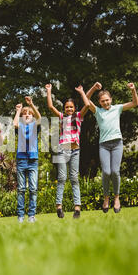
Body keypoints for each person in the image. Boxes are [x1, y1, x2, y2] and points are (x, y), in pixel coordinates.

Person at [45, 82, 101, 219]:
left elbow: (87, 105)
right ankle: (59, 206)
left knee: (74, 178)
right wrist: (49, 91)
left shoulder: (78, 116)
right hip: (62, 150)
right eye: (67, 107)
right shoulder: (61, 117)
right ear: (64, 109)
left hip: (75, 150)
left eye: (71, 107)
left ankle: (77, 208)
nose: (69, 109)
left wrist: (82, 92)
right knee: (62, 178)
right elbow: (51, 106)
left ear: (74, 108)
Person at [88, 83, 138, 213]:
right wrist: (94, 88)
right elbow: (86, 100)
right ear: (99, 102)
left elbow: (135, 103)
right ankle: (106, 198)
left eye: (107, 100)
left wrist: (133, 90)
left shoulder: (117, 108)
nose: (105, 102)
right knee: (106, 172)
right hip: (104, 145)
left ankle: (116, 198)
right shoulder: (98, 112)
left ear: (111, 100)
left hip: (117, 144)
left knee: (115, 172)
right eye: (102, 101)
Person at [14, 96, 41, 223]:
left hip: (33, 160)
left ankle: (31, 215)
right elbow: (14, 123)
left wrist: (31, 105)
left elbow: (39, 117)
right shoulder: (19, 126)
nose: (27, 115)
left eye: (29, 114)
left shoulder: (35, 125)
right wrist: (19, 110)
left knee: (33, 188)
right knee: (21, 189)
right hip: (21, 160)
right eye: (25, 114)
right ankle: (20, 216)